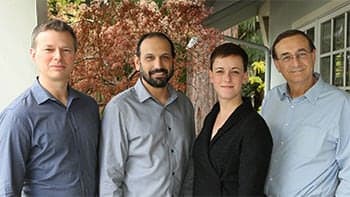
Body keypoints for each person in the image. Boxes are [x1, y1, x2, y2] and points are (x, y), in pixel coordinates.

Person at [0, 19, 100, 196]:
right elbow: (7, 188)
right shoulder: (19, 115)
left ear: (75, 55)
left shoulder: (89, 107)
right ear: (33, 54)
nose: (58, 57)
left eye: (66, 50)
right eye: (49, 49)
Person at [99, 32, 195, 197]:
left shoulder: (184, 105)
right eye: (150, 58)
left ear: (173, 61)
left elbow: (189, 166)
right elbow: (110, 176)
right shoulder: (120, 108)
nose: (158, 65)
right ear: (137, 63)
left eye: (165, 57)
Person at [262, 29, 350, 196]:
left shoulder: (342, 105)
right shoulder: (271, 99)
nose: (296, 63)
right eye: (286, 57)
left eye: (301, 54)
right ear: (277, 64)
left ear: (313, 55)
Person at [193, 43, 273, 196]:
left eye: (235, 72)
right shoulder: (211, 117)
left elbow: (250, 191)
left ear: (245, 76)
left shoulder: (254, 127)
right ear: (211, 76)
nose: (227, 78)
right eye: (220, 71)